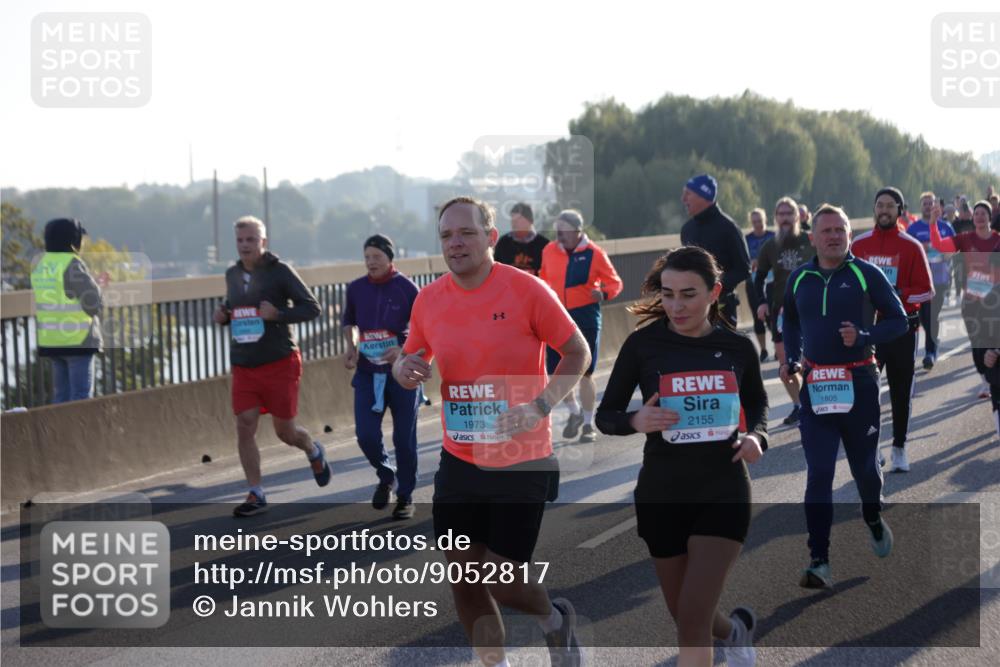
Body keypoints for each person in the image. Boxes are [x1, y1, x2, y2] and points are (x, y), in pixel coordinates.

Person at [393, 196, 590, 667]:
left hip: (521, 456)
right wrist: (404, 367)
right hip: (460, 458)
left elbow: (577, 353)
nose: (455, 244)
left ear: (491, 238)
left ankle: (554, 621)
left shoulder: (527, 291)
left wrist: (539, 406)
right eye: (446, 236)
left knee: (503, 579)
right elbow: (411, 356)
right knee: (464, 577)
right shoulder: (429, 300)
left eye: (466, 233)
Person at [596, 246, 766, 667]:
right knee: (685, 613)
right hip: (662, 493)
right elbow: (606, 416)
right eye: (668, 294)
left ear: (714, 293)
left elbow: (759, 407)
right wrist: (636, 420)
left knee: (691, 619)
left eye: (688, 294)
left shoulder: (737, 348)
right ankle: (734, 632)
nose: (675, 305)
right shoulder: (642, 346)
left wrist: (758, 437)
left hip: (722, 490)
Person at [782, 204, 907, 589]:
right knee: (819, 473)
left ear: (850, 234)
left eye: (840, 229)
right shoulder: (799, 278)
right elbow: (789, 319)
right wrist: (791, 357)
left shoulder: (865, 274)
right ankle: (819, 559)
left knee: (865, 472)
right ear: (813, 237)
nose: (834, 236)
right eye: (827, 231)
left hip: (860, 383)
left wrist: (866, 337)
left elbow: (900, 320)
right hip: (817, 387)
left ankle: (872, 515)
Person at [213, 216, 329, 517]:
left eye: (251, 240)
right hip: (244, 364)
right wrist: (224, 316)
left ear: (263, 242)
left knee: (285, 432)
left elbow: (312, 308)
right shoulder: (232, 275)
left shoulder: (281, 272)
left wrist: (277, 314)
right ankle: (256, 492)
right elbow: (240, 311)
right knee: (244, 424)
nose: (245, 246)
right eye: (240, 240)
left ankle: (313, 450)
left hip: (279, 362)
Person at [852, 188, 934, 472]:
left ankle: (899, 447)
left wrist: (898, 295)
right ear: (874, 209)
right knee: (865, 393)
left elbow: (927, 291)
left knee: (900, 392)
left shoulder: (912, 246)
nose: (884, 210)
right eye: (880, 205)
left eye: (890, 206)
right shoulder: (859, 245)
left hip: (901, 330)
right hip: (869, 332)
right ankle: (872, 448)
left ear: (900, 210)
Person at [343, 234, 421, 519]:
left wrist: (403, 349)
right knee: (365, 434)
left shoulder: (407, 288)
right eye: (367, 257)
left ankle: (405, 497)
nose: (371, 262)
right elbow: (349, 322)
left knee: (404, 438)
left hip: (401, 374)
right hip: (367, 372)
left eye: (376, 257)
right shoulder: (356, 289)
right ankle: (387, 474)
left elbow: (425, 327)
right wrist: (351, 348)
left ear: (390, 258)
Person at [539, 209, 623, 443]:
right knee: (559, 373)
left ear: (577, 231)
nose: (558, 234)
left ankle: (587, 424)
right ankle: (575, 413)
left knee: (585, 373)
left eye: (563, 230)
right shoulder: (548, 251)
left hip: (586, 317)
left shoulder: (594, 253)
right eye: (556, 229)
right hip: (557, 317)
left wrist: (603, 293)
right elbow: (543, 278)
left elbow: (615, 282)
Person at [754, 197, 816, 426]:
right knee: (786, 365)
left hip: (811, 309)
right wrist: (761, 302)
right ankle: (799, 406)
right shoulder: (769, 246)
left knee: (812, 361)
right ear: (775, 218)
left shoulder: (811, 240)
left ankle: (817, 403)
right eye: (780, 214)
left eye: (789, 213)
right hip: (781, 312)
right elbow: (757, 278)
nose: (785, 218)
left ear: (798, 216)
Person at [930, 200, 1000, 400]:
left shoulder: (998, 240)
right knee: (977, 342)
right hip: (971, 302)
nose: (979, 217)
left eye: (983, 213)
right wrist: (933, 224)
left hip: (995, 303)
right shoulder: (965, 239)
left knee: (992, 341)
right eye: (976, 213)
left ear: (989, 217)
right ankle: (984, 379)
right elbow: (940, 245)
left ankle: (992, 381)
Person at [31, 218, 103, 404]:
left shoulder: (42, 265)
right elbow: (93, 303)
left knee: (61, 398)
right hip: (77, 341)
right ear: (74, 241)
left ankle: (60, 434)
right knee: (80, 400)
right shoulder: (72, 263)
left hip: (52, 341)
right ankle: (77, 434)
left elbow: (62, 293)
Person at [681, 174, 752, 329]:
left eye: (688, 194)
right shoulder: (687, 230)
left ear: (704, 195)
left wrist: (713, 288)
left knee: (722, 352)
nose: (683, 199)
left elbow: (744, 268)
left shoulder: (729, 228)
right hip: (693, 308)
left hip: (722, 307)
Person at [906, 192, 956, 370]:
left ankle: (930, 353)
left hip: (940, 279)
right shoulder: (913, 229)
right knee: (924, 318)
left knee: (932, 315)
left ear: (936, 206)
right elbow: (907, 253)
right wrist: (923, 248)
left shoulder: (945, 227)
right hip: (920, 281)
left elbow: (954, 249)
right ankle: (933, 341)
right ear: (921, 207)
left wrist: (944, 251)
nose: (928, 206)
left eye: (931, 203)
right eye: (925, 204)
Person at [745, 208, 775, 362]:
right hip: (753, 282)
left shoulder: (773, 237)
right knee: (758, 317)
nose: (757, 224)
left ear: (765, 221)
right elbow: (741, 260)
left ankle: (777, 347)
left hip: (772, 281)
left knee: (773, 316)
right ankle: (763, 349)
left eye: (760, 221)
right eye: (754, 222)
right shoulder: (746, 239)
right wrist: (750, 263)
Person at [493, 202, 549, 276]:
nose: (514, 221)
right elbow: (495, 270)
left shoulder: (544, 245)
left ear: (529, 220)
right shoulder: (503, 243)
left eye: (518, 218)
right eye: (512, 217)